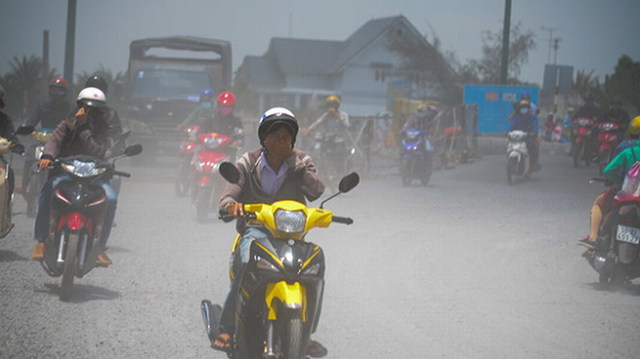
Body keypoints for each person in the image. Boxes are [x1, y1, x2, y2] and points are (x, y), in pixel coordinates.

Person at [213, 107, 327, 357]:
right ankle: (227, 327)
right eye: (274, 136)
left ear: (292, 140)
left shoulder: (301, 161)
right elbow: (229, 194)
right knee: (245, 263)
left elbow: (317, 191)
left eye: (286, 137)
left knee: (314, 270)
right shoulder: (248, 161)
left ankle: (305, 335)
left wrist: (294, 164)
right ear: (263, 138)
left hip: (292, 236)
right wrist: (230, 206)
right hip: (256, 232)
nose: (280, 141)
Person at [30, 87, 116, 266]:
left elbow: (98, 150)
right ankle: (41, 241)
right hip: (66, 172)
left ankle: (99, 247)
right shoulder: (68, 123)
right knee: (48, 189)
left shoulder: (104, 129)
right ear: (79, 105)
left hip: (94, 176)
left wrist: (84, 127)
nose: (91, 111)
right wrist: (47, 156)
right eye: (87, 106)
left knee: (111, 197)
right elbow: (54, 140)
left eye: (96, 108)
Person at [580, 116, 640, 249]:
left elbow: (608, 170)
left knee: (598, 203)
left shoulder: (626, 149)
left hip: (624, 194)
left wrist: (616, 180)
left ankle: (593, 238)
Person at [22, 77, 73, 193]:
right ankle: (24, 185)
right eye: (54, 89)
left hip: (61, 142)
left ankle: (66, 188)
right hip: (42, 140)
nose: (57, 92)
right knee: (30, 154)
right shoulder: (43, 105)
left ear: (65, 91)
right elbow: (33, 119)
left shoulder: (70, 107)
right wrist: (27, 128)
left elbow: (73, 123)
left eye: (60, 90)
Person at [303, 95, 350, 173]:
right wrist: (309, 130)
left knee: (339, 154)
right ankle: (322, 170)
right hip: (328, 140)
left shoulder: (343, 115)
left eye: (333, 106)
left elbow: (346, 125)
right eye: (329, 106)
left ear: (336, 106)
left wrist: (337, 116)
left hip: (339, 140)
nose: (331, 108)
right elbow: (317, 123)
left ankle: (339, 172)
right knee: (321, 152)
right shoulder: (326, 116)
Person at [193, 91, 244, 159]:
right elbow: (200, 132)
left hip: (228, 152)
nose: (225, 109)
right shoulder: (211, 119)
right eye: (223, 106)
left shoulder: (236, 121)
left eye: (228, 107)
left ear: (233, 108)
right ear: (218, 106)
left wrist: (238, 142)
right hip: (209, 150)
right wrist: (197, 137)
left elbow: (240, 137)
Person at [0, 84, 23, 199]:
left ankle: (6, 211)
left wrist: (15, 144)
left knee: (9, 176)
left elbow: (11, 135)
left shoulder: (4, 119)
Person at [508, 100, 540, 171]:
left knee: (533, 148)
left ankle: (532, 166)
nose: (523, 109)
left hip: (529, 139)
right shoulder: (517, 118)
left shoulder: (533, 118)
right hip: (518, 139)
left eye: (525, 107)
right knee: (509, 146)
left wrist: (533, 133)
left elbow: (535, 127)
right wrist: (508, 132)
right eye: (522, 108)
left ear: (528, 109)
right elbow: (511, 126)